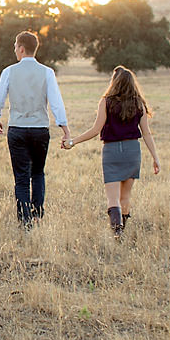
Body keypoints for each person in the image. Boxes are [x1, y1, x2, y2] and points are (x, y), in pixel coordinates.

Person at [61, 65, 160, 239]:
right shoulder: (139, 104)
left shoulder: (106, 102)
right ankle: (122, 230)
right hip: (132, 151)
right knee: (125, 197)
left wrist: (72, 142)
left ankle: (117, 233)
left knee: (113, 199)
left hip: (112, 151)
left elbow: (95, 129)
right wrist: (155, 158)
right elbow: (146, 133)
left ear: (114, 82)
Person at [0, 31, 70, 227]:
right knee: (38, 173)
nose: (15, 51)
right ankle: (37, 215)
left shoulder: (9, 71)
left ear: (21, 48)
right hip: (39, 129)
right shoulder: (47, 72)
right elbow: (56, 103)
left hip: (17, 129)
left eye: (15, 47)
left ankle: (24, 220)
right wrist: (65, 129)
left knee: (21, 178)